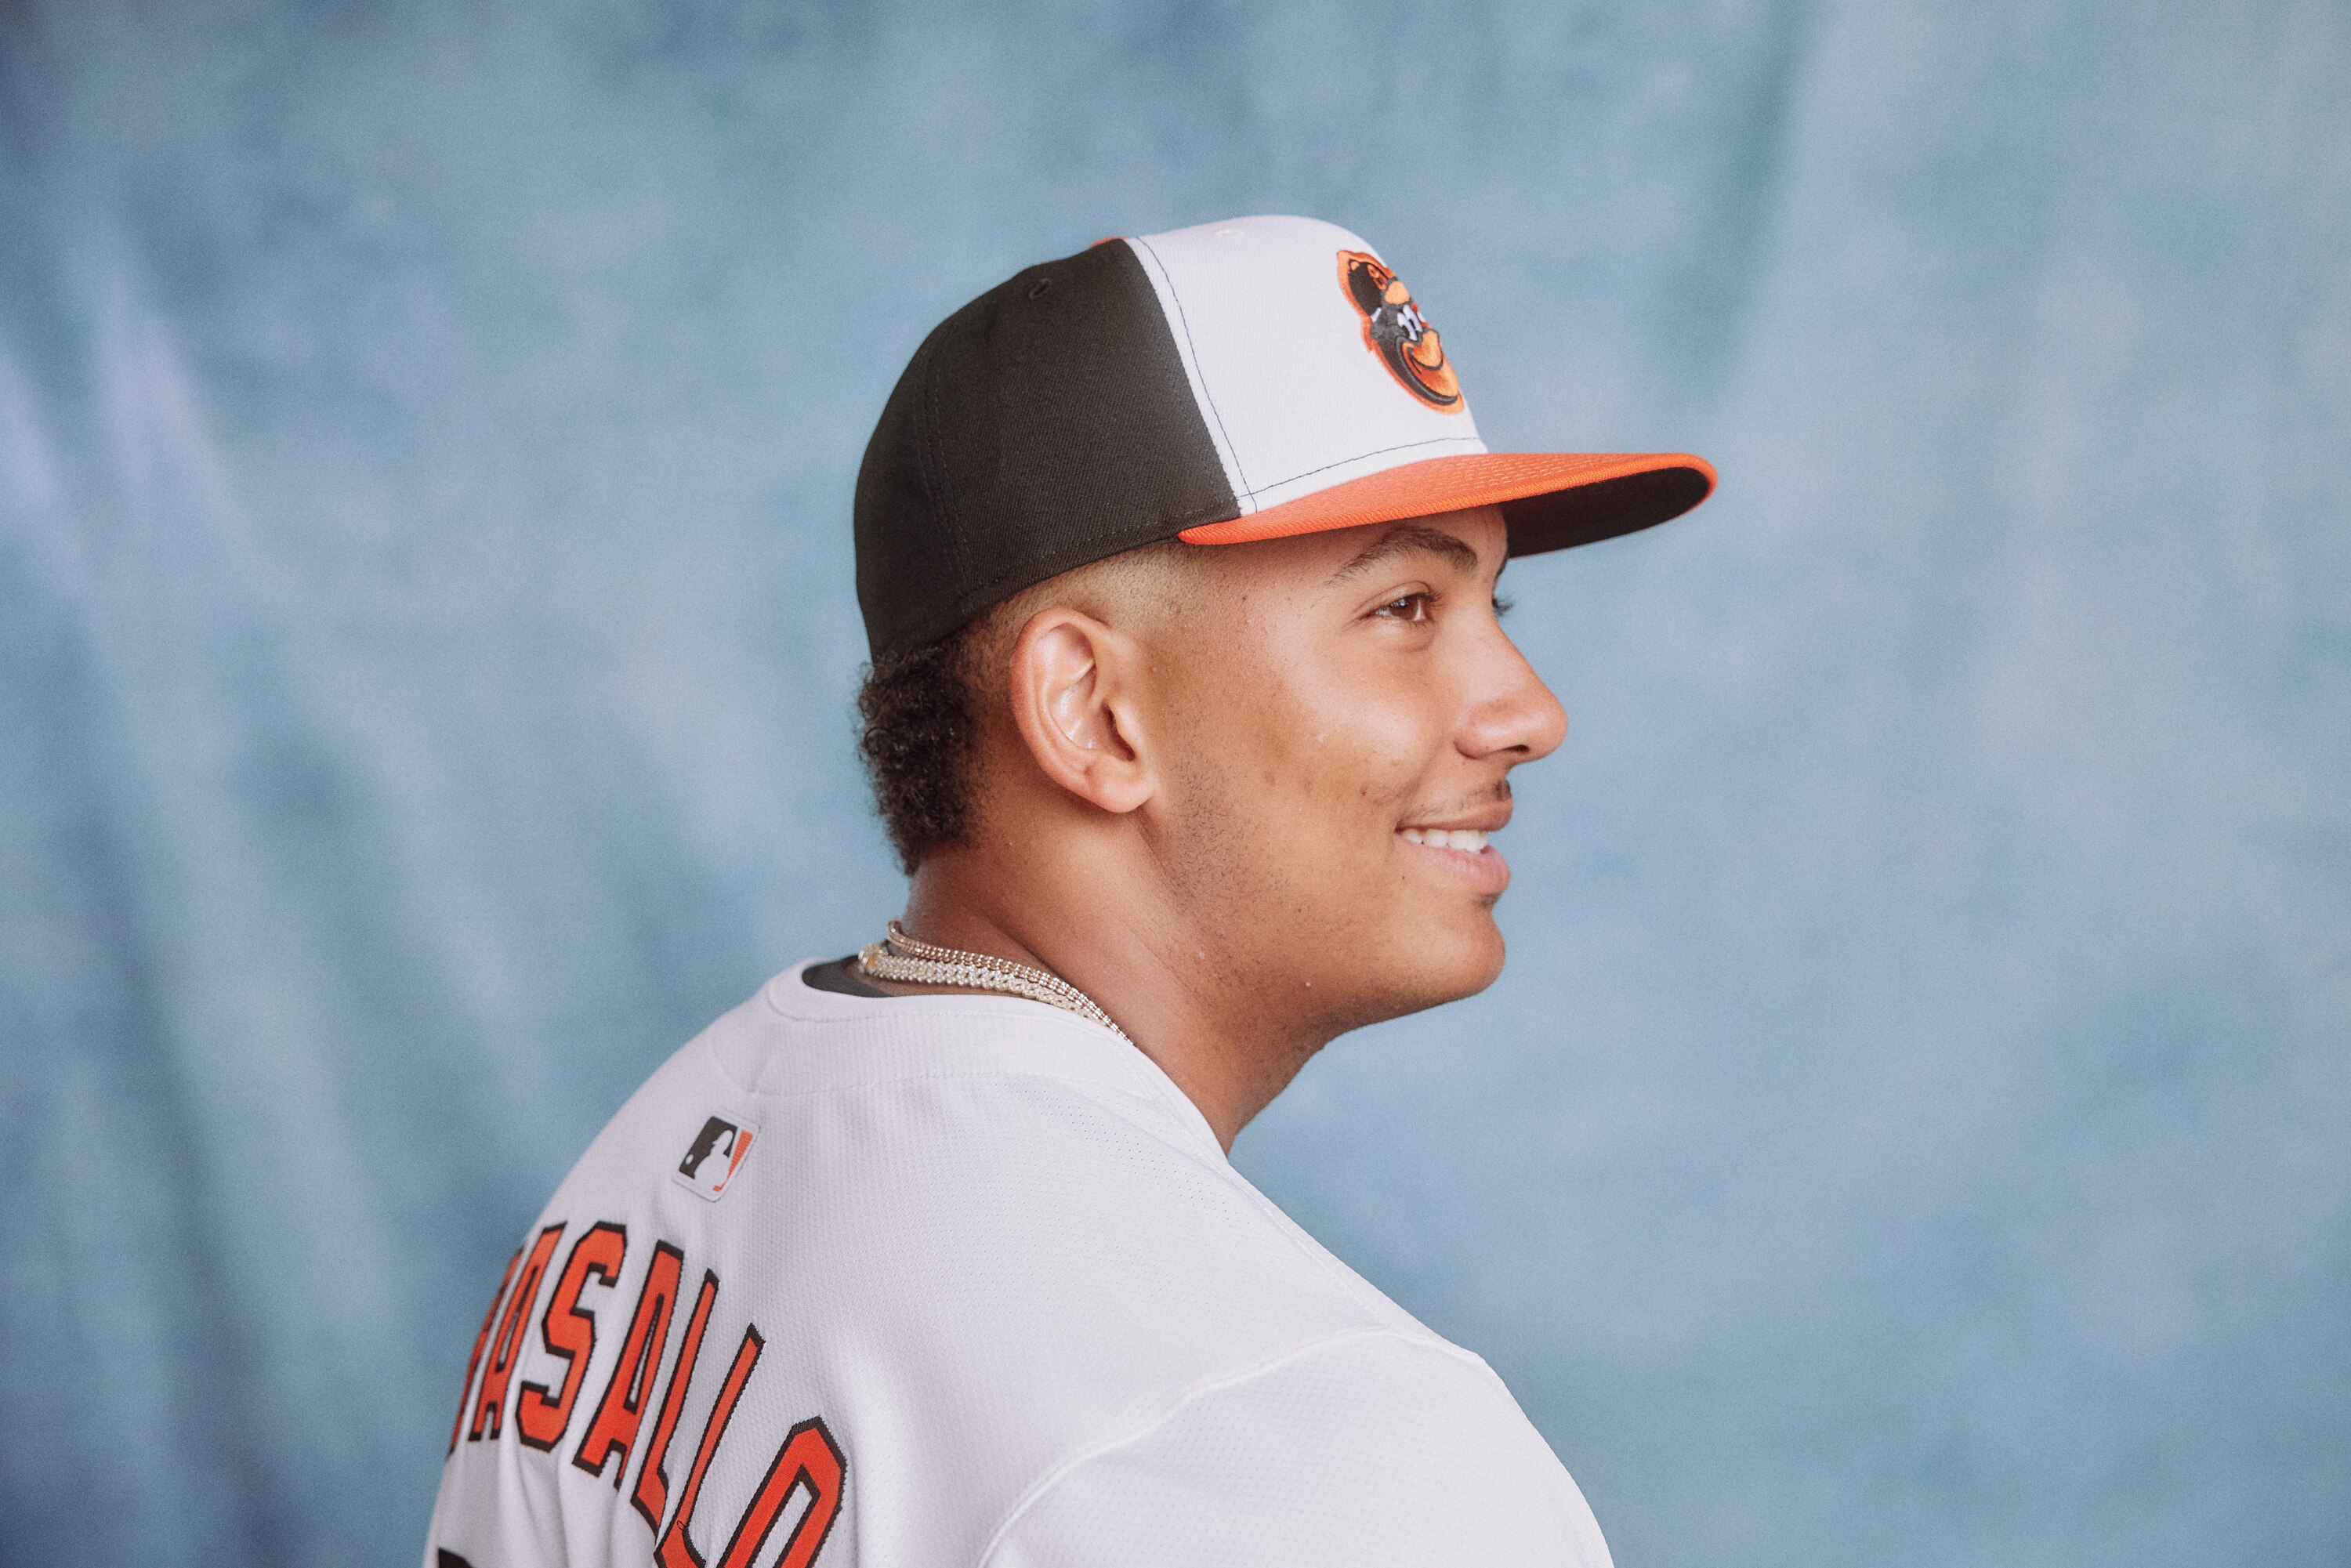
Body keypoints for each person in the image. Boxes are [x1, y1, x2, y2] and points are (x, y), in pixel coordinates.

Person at [423, 214, 1714, 1568]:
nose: (1529, 711)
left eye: (1498, 606)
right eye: (1403, 608)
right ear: (1092, 712)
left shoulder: (644, 1168)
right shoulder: (1301, 1442)